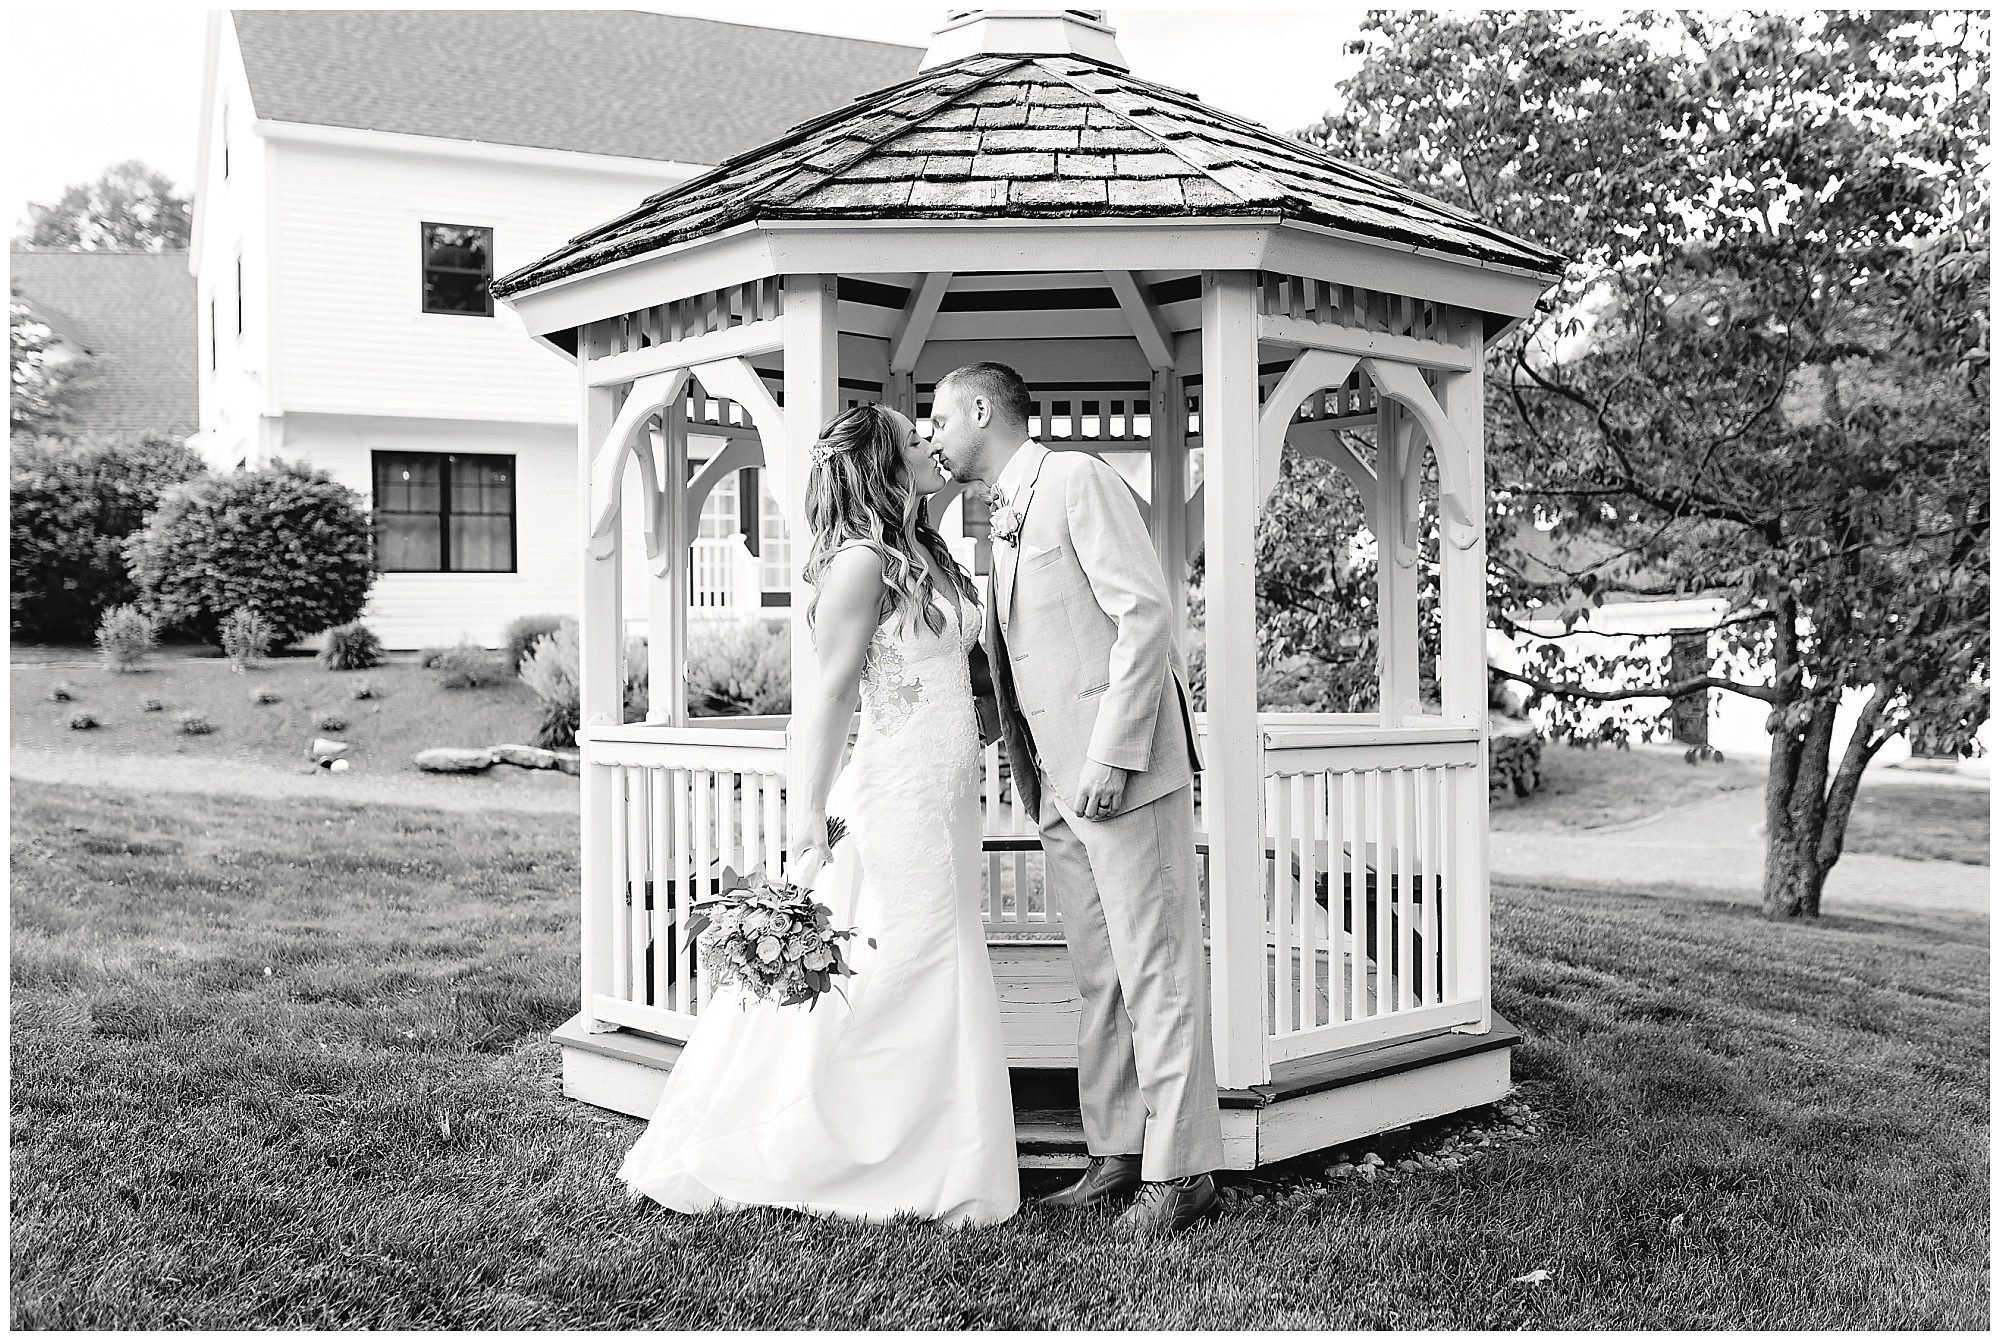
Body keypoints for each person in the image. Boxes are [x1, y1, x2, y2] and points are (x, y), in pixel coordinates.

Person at [617, 403, 1021, 1229]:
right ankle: (834, 1144)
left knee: (939, 952)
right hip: (895, 793)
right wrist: (805, 813)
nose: (932, 445)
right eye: (916, 440)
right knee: (901, 961)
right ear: (882, 465)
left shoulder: (928, 551)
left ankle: (941, 1147)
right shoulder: (860, 564)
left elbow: (960, 675)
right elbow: (832, 694)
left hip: (947, 797)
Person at [927, 361, 1224, 1237]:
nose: (934, 437)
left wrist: (1112, 754)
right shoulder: (997, 522)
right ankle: (1115, 1152)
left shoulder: (1079, 479)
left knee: (1158, 969)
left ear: (982, 410)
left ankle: (1181, 1174)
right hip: (1053, 785)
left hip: (1119, 775)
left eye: (940, 419)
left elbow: (1145, 616)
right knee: (1098, 974)